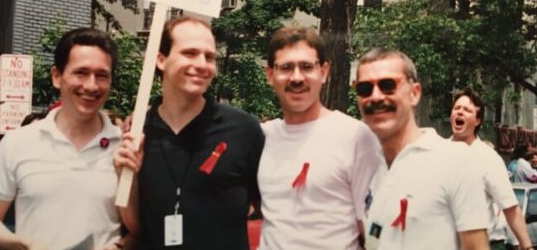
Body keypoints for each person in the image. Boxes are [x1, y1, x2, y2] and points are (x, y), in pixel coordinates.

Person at [114, 16, 265, 249]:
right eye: (190, 53)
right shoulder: (136, 132)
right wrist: (129, 177)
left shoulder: (244, 129)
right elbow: (137, 228)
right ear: (161, 60)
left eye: (210, 57)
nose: (203, 64)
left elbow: (270, 211)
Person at [0, 28, 124, 249]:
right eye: (81, 73)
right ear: (57, 76)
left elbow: (141, 229)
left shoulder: (125, 148)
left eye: (101, 75)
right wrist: (24, 244)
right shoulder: (19, 143)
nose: (91, 85)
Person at [258, 26, 379, 249]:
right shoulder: (262, 137)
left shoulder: (355, 137)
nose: (296, 77)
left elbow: (372, 231)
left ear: (323, 72)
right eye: (286, 67)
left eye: (306, 67)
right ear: (270, 75)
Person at [355, 48, 489, 249]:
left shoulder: (455, 160)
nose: (375, 97)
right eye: (365, 89)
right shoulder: (362, 165)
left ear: (415, 93)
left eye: (388, 86)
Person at [450, 87, 534, 250]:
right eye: (456, 108)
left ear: (477, 120)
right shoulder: (439, 152)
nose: (459, 112)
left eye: (466, 110)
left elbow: (509, 206)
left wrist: (527, 246)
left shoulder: (488, 158)